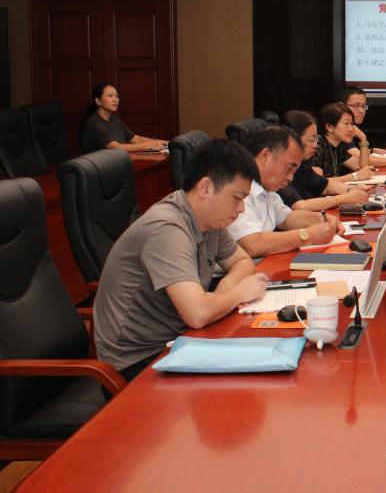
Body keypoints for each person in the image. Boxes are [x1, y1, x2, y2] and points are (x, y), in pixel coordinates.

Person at [93, 139, 270, 380]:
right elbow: (198, 314)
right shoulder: (167, 229)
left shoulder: (210, 220)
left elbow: (243, 262)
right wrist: (238, 293)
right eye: (237, 198)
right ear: (205, 188)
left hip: (181, 340)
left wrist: (223, 292)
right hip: (140, 363)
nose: (241, 209)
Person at [228, 126, 341, 258]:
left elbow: (286, 219)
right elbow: (253, 245)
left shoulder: (267, 189)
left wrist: (322, 218)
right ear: (265, 156)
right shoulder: (237, 188)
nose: (290, 178)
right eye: (288, 168)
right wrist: (307, 236)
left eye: (294, 172)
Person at [279, 109, 371, 211]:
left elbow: (325, 186)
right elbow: (300, 206)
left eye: (316, 139)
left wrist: (352, 190)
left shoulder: (303, 163)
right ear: (292, 139)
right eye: (311, 139)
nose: (315, 145)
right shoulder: (278, 167)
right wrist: (343, 199)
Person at [79, 82, 167, 153]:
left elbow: (136, 139)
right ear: (98, 101)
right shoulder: (94, 123)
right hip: (99, 167)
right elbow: (116, 147)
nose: (115, 100)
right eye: (110, 96)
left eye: (117, 96)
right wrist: (148, 146)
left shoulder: (114, 119)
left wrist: (164, 143)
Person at [310, 102, 372, 180]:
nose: (351, 129)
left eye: (351, 123)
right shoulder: (316, 146)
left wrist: (363, 138)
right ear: (329, 127)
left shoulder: (339, 145)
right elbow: (318, 182)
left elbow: (362, 167)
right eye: (346, 123)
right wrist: (354, 176)